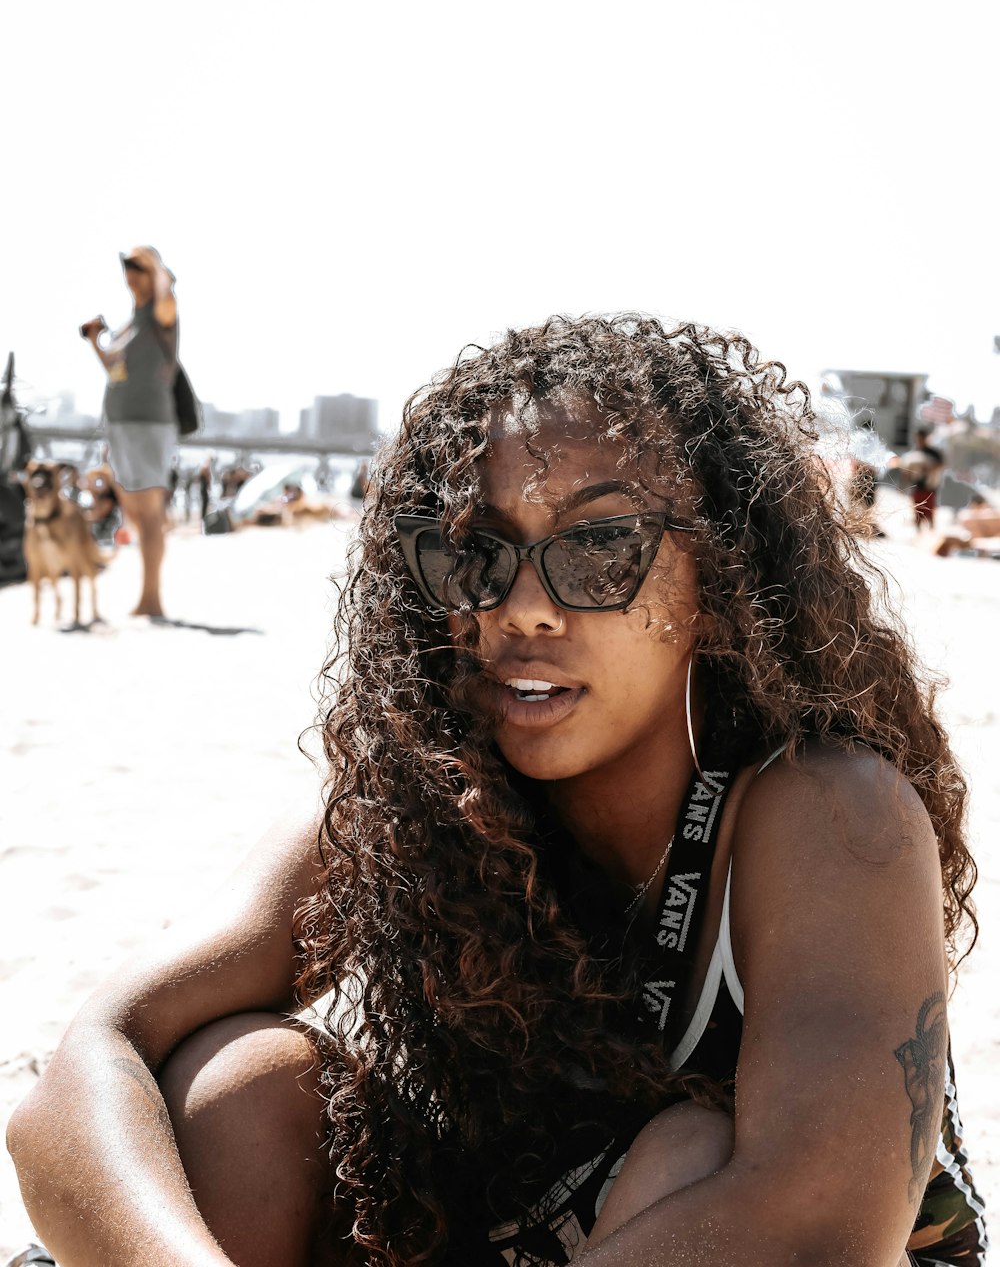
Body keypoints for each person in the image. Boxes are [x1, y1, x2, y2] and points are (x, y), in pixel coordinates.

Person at [7, 316, 985, 1267]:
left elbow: (818, 1222)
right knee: (241, 1082)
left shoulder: (827, 813)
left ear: (721, 581)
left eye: (600, 546)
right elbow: (84, 1069)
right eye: (475, 552)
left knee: (689, 1150)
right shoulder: (412, 801)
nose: (522, 605)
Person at [79, 247, 179, 616]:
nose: (131, 277)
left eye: (138, 270)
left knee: (150, 512)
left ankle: (151, 598)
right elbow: (114, 368)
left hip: (149, 424)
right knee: (134, 511)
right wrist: (94, 340)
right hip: (120, 424)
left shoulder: (162, 312)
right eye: (128, 270)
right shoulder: (129, 324)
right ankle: (146, 594)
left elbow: (166, 293)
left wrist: (155, 266)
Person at [900, 429, 945, 533]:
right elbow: (906, 471)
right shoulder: (913, 454)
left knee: (929, 512)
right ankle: (919, 534)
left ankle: (932, 534)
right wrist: (902, 486)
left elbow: (941, 465)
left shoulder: (934, 453)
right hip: (917, 487)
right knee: (918, 512)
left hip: (929, 487)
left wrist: (928, 467)